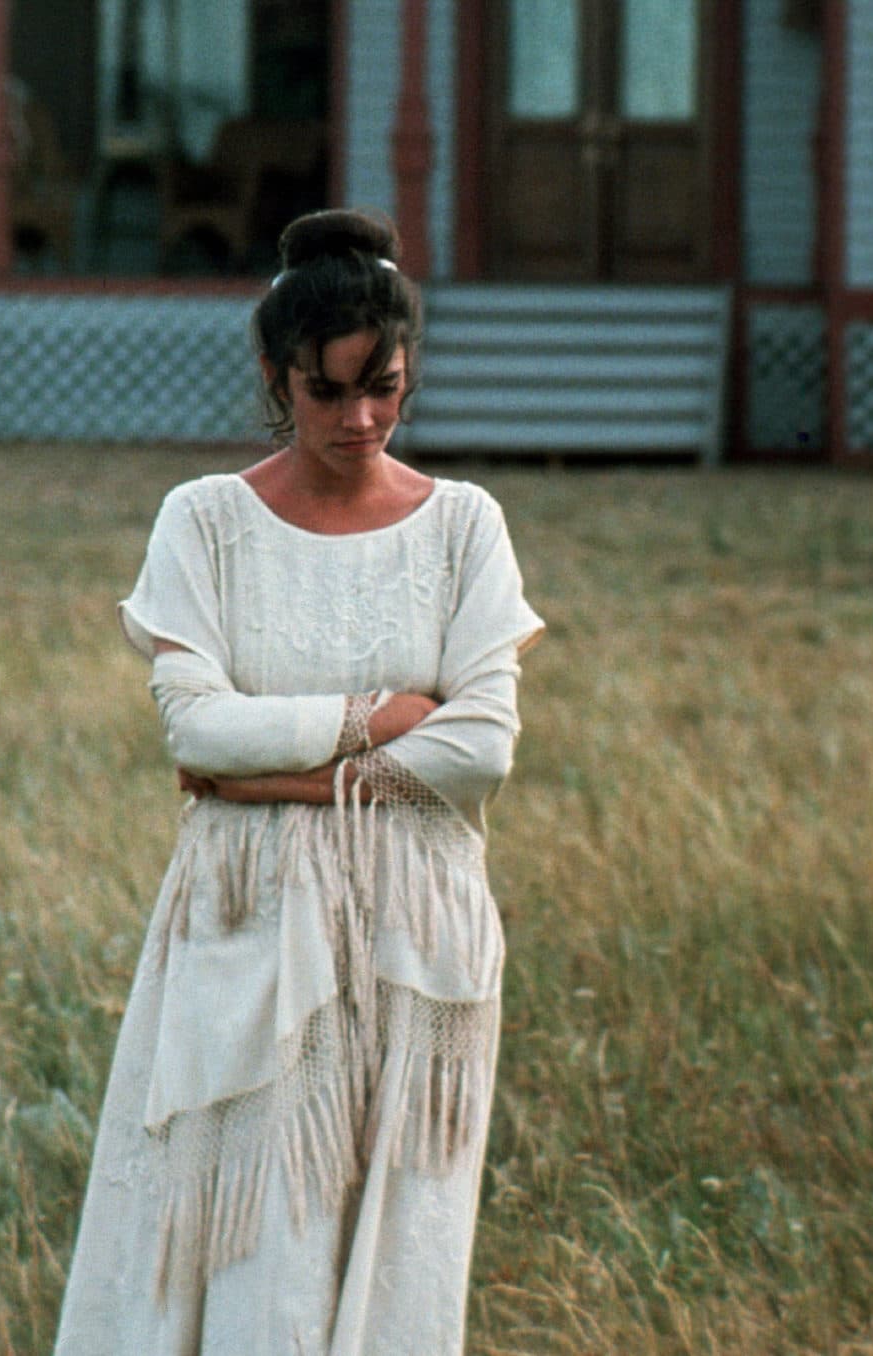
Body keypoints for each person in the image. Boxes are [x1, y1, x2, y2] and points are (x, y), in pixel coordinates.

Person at [53, 209, 544, 1355]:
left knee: (401, 1246)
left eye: (385, 386)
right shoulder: (207, 523)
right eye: (328, 393)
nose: (360, 418)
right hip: (248, 918)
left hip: (418, 925)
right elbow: (200, 731)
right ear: (279, 378)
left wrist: (289, 783)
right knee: (246, 1242)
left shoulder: (466, 527)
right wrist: (377, 718)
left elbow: (482, 750)